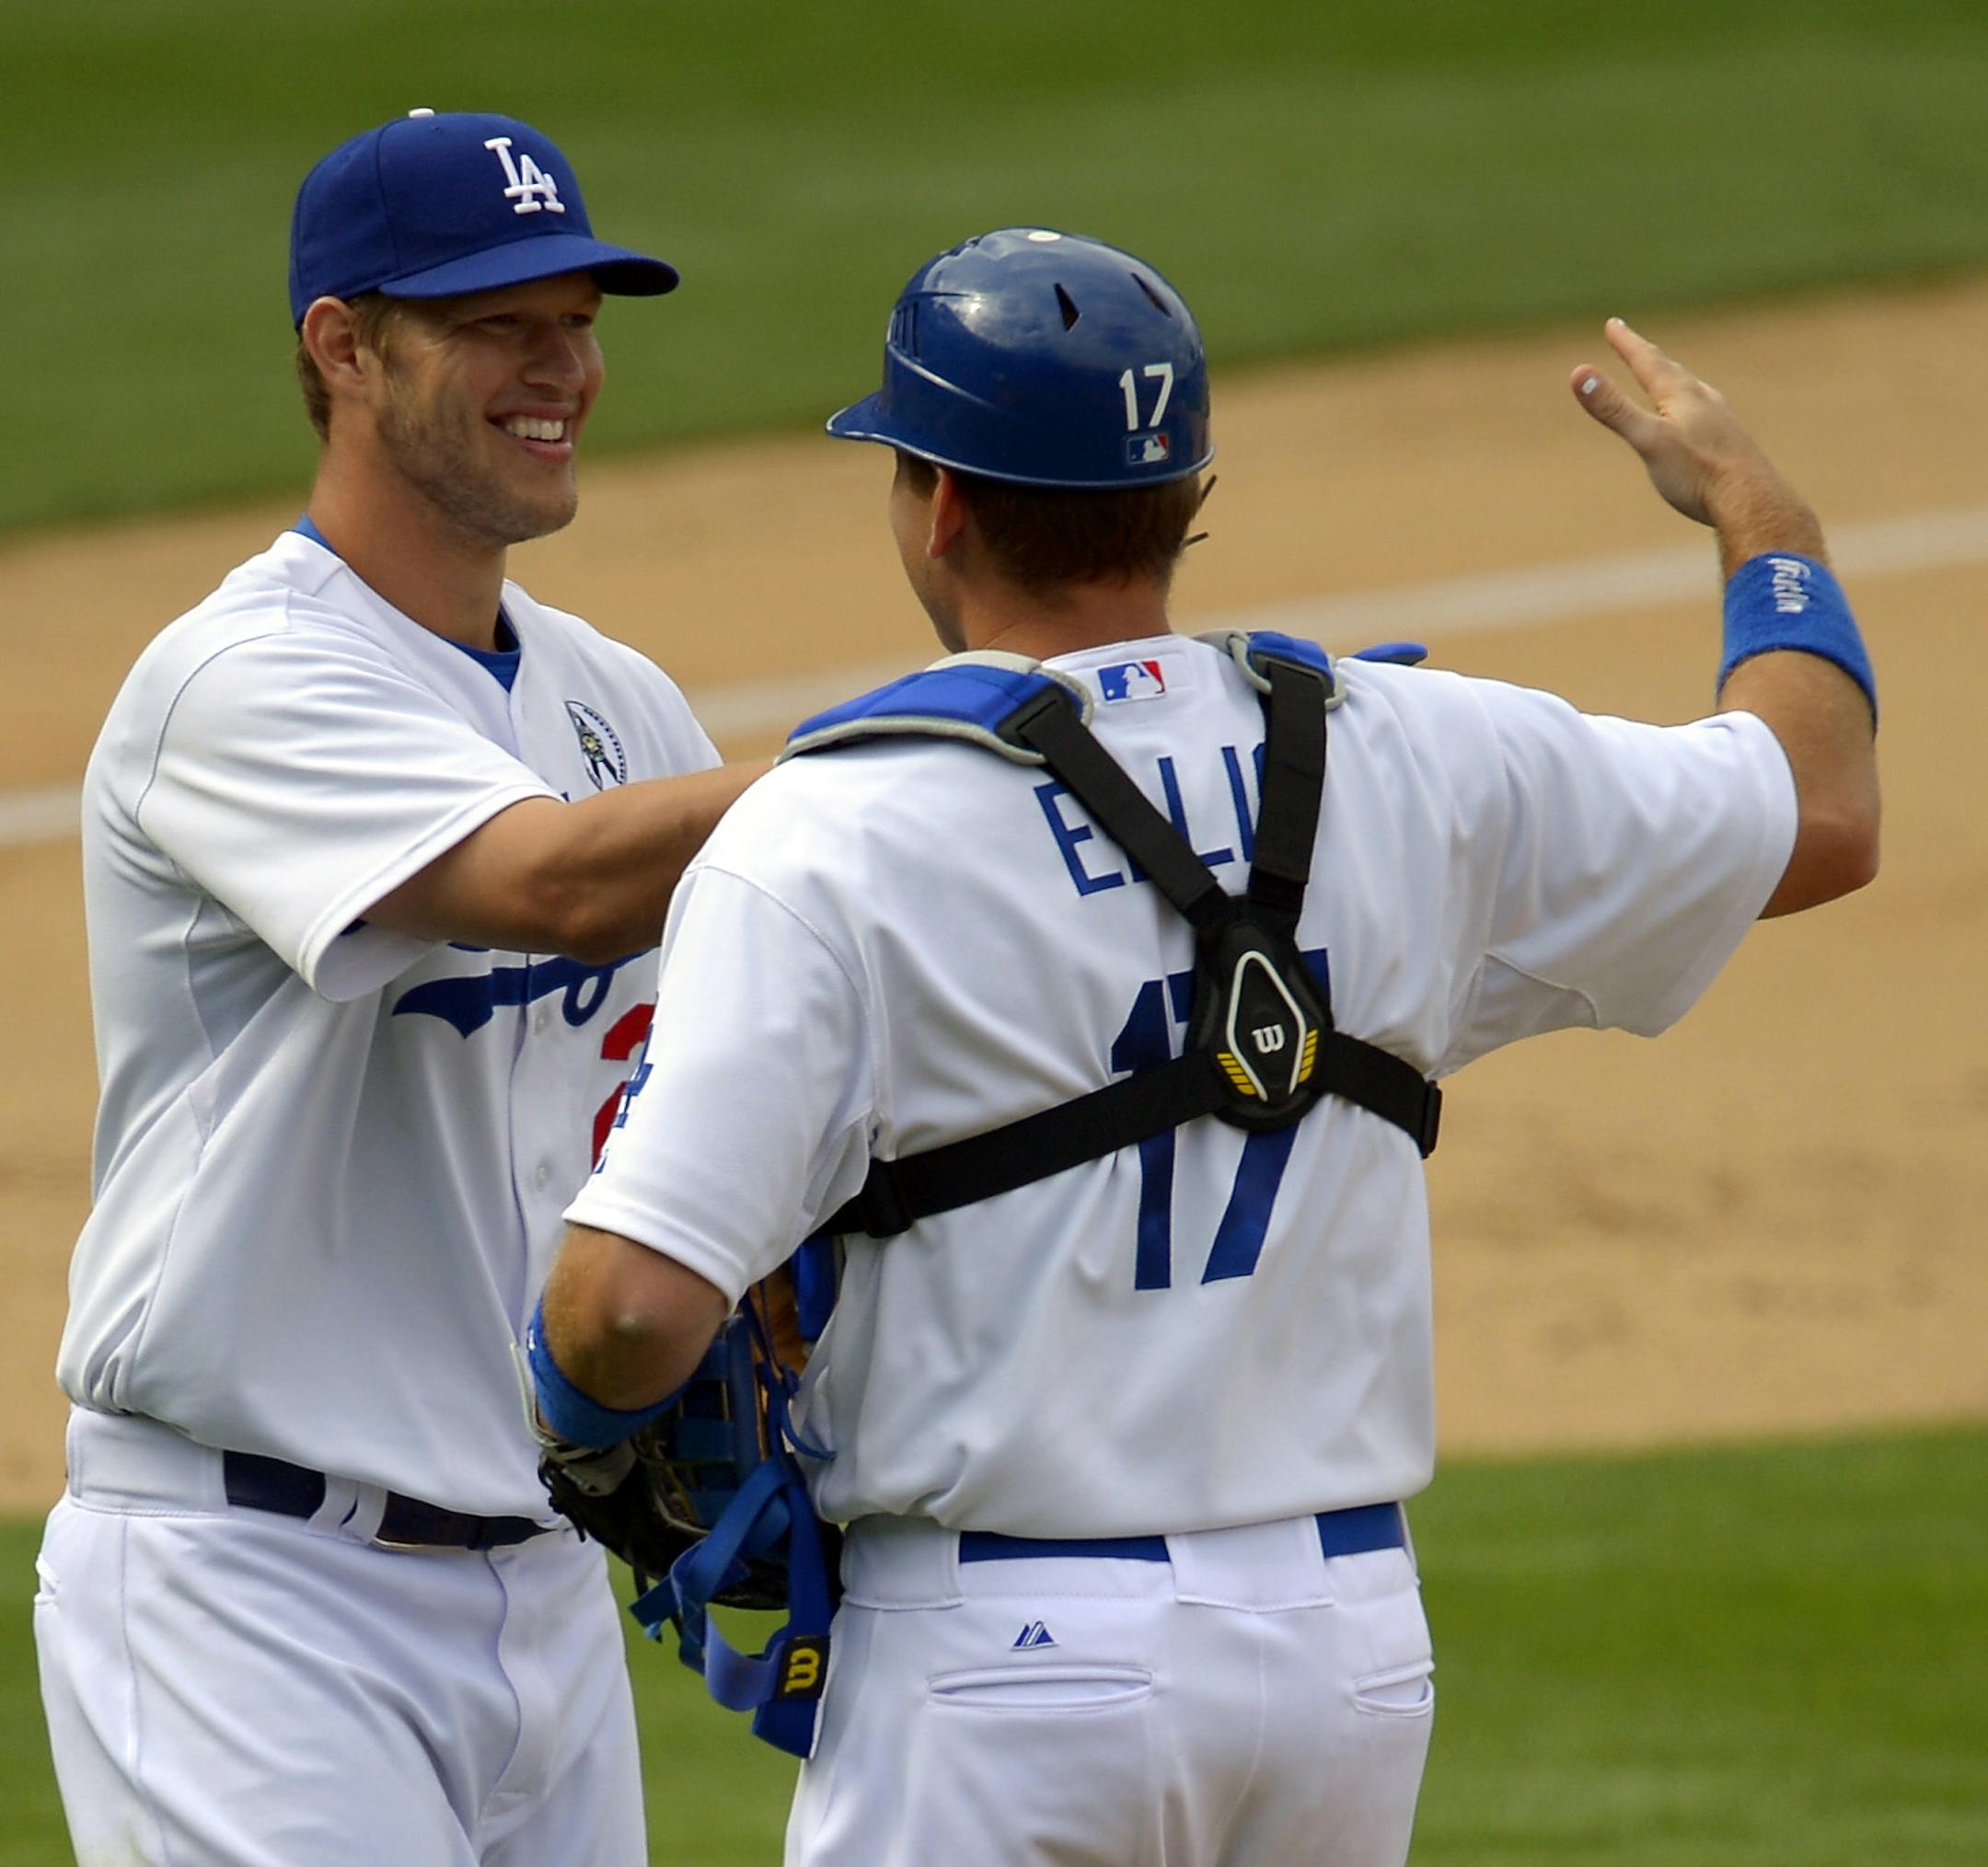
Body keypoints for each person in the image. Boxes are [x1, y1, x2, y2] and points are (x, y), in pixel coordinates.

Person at [530, 230, 1880, 1866]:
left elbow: (626, 1311)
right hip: (1349, 1663)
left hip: (1006, 1672)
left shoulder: (828, 833)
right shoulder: (1414, 755)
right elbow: (1818, 812)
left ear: (939, 504)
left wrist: (576, 1416)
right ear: (1185, 495)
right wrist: (1766, 518)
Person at [33, 109, 765, 1866]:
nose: (563, 370)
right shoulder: (240, 681)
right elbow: (546, 885)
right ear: (342, 347)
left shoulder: (619, 704)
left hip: (547, 1588)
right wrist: (919, 754)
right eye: (499, 325)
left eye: (579, 320)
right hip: (254, 1598)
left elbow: (740, 1070)